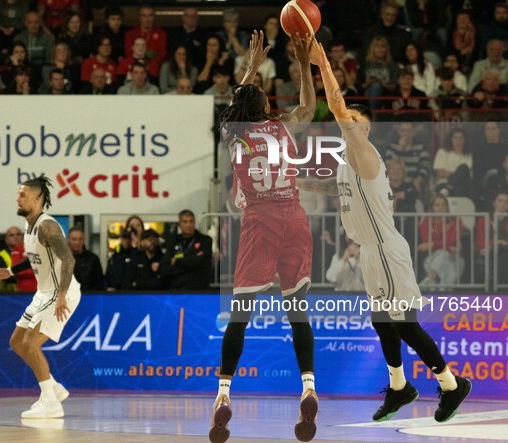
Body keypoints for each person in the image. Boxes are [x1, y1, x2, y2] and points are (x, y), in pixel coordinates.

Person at [308, 38, 471, 423]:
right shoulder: (347, 167)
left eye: (356, 123)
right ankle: (400, 386)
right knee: (381, 321)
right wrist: (295, 179)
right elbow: (334, 188)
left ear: (365, 130)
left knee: (404, 324)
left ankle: (451, 384)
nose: (350, 127)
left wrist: (323, 64)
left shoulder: (365, 154)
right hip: (369, 251)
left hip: (385, 248)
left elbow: (336, 107)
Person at [211, 31, 317, 443]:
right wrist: (305, 64)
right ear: (267, 108)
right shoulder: (283, 126)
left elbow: (234, 105)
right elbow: (308, 105)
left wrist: (251, 66)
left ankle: (223, 394)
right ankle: (308, 386)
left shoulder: (233, 134)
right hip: (294, 218)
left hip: (259, 222)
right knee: (297, 311)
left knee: (240, 313)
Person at [0, 174, 81, 418]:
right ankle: (53, 389)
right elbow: (34, 257)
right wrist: (8, 271)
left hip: (61, 290)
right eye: (18, 194)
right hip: (44, 292)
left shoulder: (48, 226)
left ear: (37, 199)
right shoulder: (30, 225)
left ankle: (51, 402)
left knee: (30, 343)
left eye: (23, 195)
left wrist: (60, 295)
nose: (17, 198)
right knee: (17, 342)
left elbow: (68, 258)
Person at [418, 195, 466, 288]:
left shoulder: (456, 220)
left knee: (444, 255)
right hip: (432, 257)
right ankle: (440, 288)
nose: (441, 208)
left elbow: (453, 240)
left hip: (454, 258)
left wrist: (433, 244)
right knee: (443, 254)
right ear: (432, 207)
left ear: (447, 207)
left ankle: (428, 280)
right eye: (437, 205)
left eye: (443, 205)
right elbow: (427, 241)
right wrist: (447, 246)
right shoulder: (425, 222)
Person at [160, 209, 212, 291]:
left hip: (198, 290)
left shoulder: (205, 240)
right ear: (179, 224)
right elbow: (165, 268)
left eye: (191, 221)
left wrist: (176, 261)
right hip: (176, 289)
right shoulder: (173, 241)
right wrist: (192, 261)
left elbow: (201, 263)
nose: (188, 225)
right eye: (185, 222)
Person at [68, 226, 104, 291]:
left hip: (89, 298)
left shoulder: (93, 259)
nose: (77, 242)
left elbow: (100, 283)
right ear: (68, 240)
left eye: (80, 239)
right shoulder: (60, 260)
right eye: (74, 239)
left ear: (84, 240)